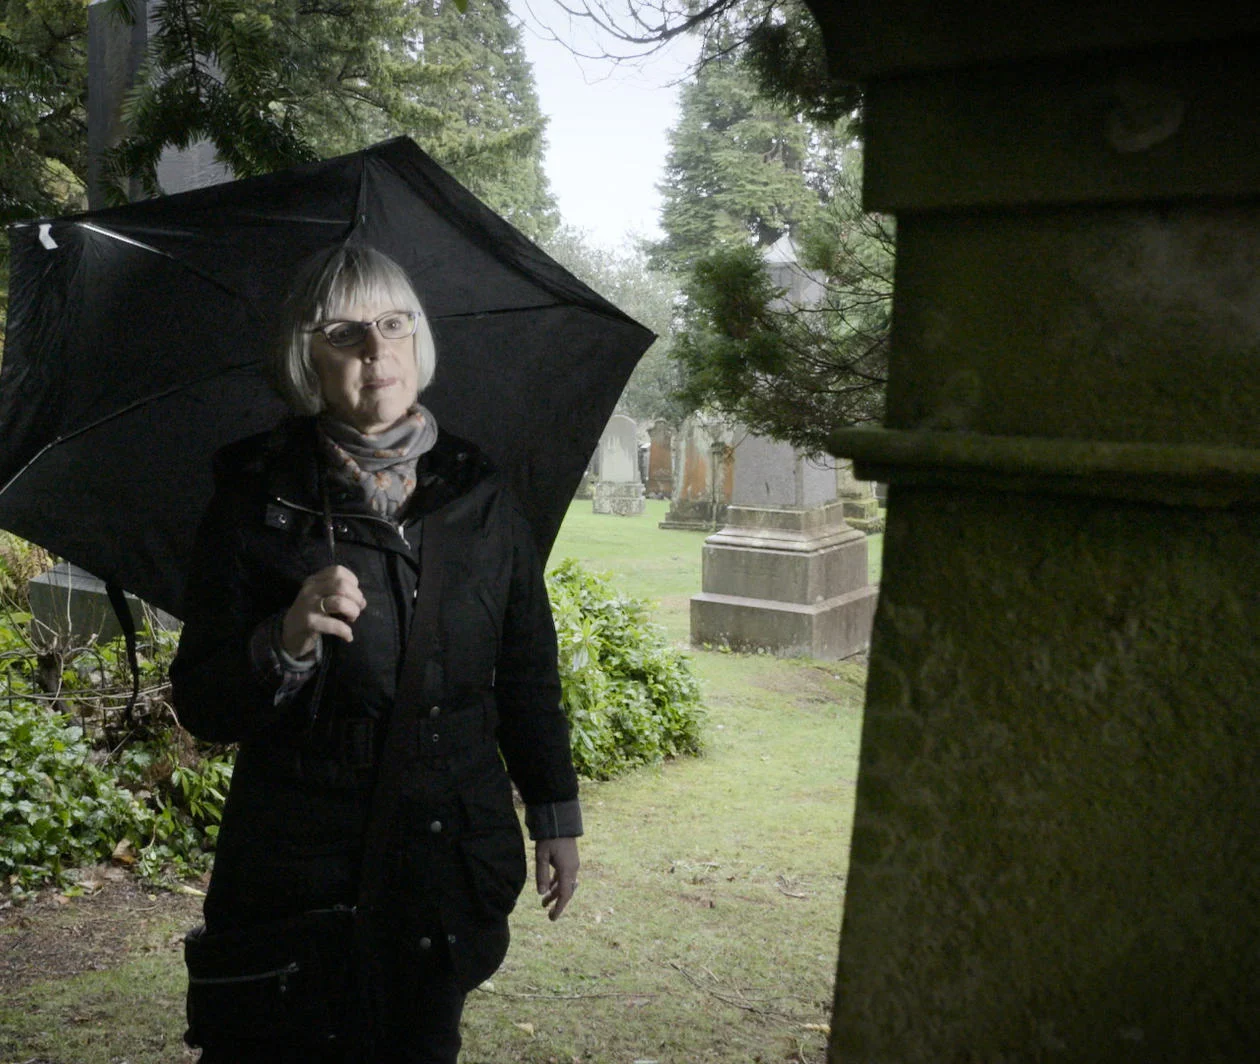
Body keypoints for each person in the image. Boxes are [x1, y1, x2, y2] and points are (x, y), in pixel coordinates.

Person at [171, 243, 581, 1063]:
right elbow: (204, 701)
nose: (375, 350)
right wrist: (283, 641)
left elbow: (527, 665)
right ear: (305, 356)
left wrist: (553, 811)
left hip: (442, 860)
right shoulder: (256, 498)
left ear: (419, 340)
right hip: (299, 881)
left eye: (394, 324)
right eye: (344, 332)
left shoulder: (479, 493)